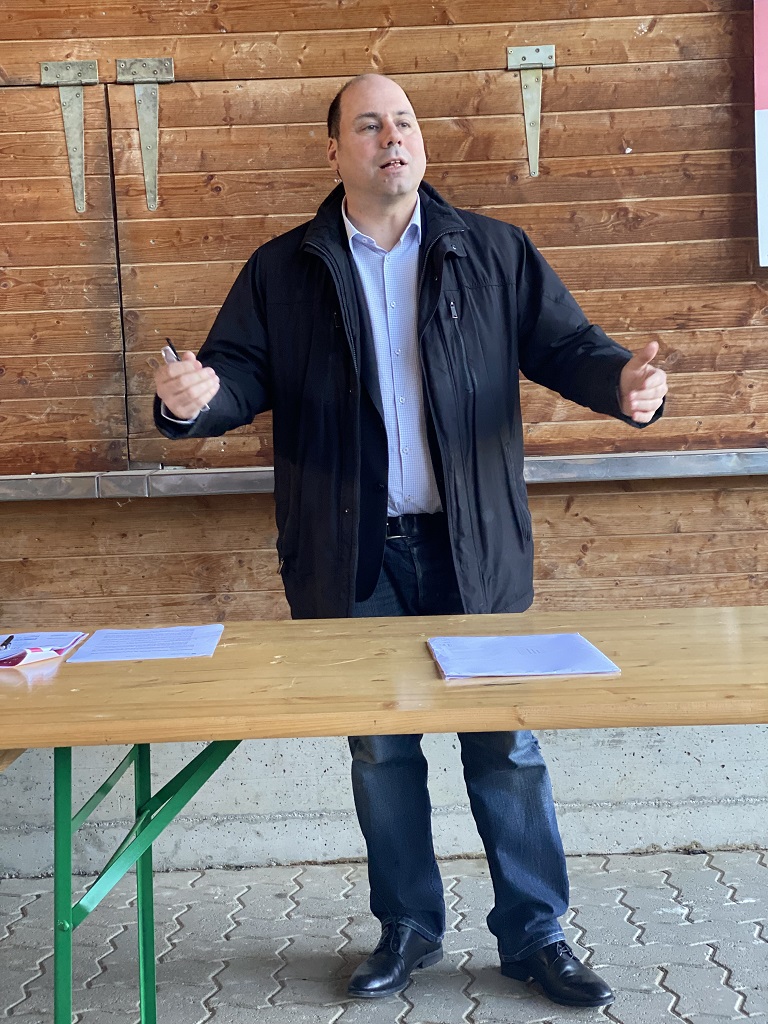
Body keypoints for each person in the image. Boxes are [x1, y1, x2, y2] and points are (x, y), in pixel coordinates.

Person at [154, 73, 667, 1009]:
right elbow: (232, 377)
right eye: (369, 125)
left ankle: (536, 935)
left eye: (403, 122)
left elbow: (569, 347)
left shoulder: (492, 250)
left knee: (504, 746)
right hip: (353, 555)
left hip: (472, 549)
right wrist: (193, 402)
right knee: (381, 752)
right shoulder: (284, 269)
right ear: (335, 151)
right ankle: (409, 927)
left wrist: (624, 385)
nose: (392, 138)